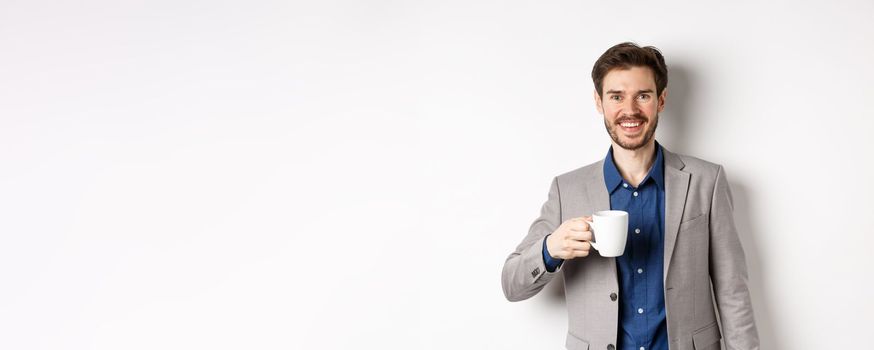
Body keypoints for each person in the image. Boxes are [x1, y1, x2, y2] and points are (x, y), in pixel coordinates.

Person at [500, 42, 759, 350]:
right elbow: (511, 284)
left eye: (643, 95)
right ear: (599, 102)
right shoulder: (566, 189)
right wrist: (551, 248)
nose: (630, 110)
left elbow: (733, 291)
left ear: (661, 100)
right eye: (616, 96)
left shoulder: (707, 181)